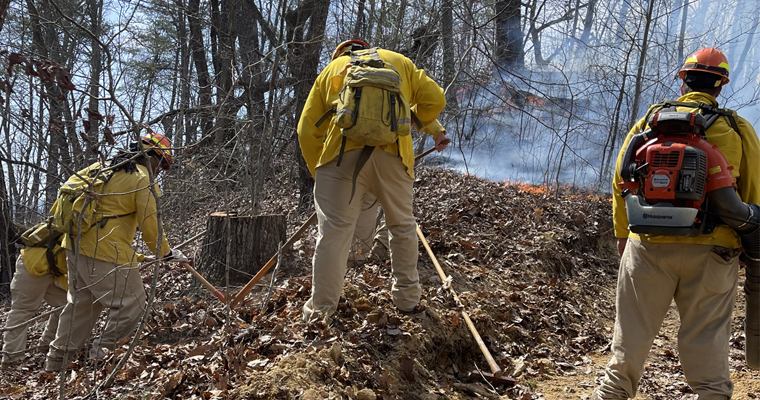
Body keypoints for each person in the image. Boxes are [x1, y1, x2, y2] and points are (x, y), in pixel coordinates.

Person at [594, 47, 760, 399]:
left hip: (648, 246)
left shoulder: (649, 123)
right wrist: (748, 245)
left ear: (683, 81)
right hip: (714, 252)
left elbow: (620, 181)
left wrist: (624, 235)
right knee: (708, 347)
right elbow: (753, 193)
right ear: (720, 86)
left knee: (627, 351)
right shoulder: (737, 128)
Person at [298, 39, 448, 321]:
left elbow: (306, 130)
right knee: (402, 226)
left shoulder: (333, 70)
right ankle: (407, 301)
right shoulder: (399, 61)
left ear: (341, 53)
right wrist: (421, 121)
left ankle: (320, 313)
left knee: (333, 235)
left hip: (341, 157)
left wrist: (320, 172)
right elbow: (435, 99)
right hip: (394, 156)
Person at [45, 132, 188, 371]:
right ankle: (102, 357)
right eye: (161, 164)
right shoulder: (141, 179)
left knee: (82, 304)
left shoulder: (99, 167)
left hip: (73, 245)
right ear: (152, 156)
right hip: (106, 251)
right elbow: (150, 224)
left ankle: (56, 362)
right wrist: (166, 253)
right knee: (132, 304)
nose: (160, 170)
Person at [1, 231, 67, 367]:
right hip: (32, 266)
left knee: (69, 304)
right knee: (22, 311)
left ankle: (46, 346)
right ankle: (12, 360)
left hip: (53, 271)